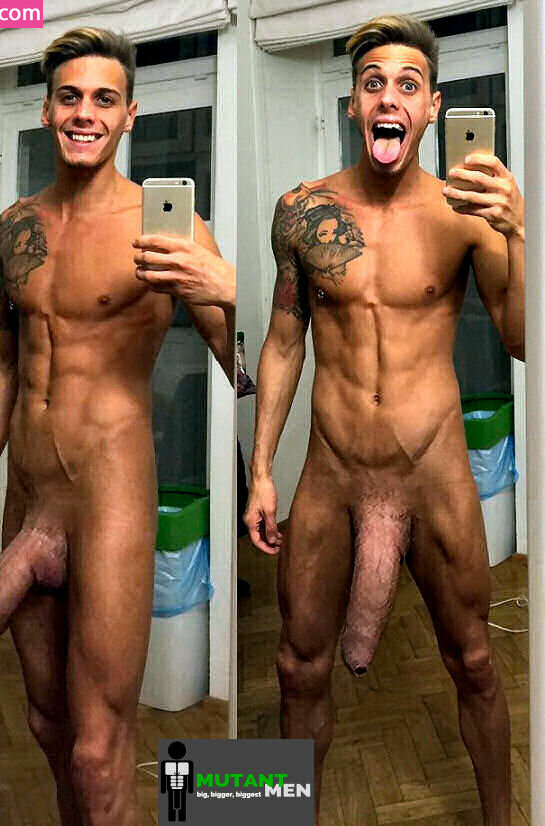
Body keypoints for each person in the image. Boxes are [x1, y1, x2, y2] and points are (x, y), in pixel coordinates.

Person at [0, 27, 234, 826]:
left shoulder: (168, 226)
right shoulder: (16, 225)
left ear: (129, 114)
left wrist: (225, 290)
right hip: (26, 495)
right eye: (69, 97)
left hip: (110, 494)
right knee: (48, 725)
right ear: (46, 110)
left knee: (99, 753)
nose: (85, 113)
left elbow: (243, 373)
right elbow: (6, 362)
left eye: (104, 99)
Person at [244, 14, 524, 826]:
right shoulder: (302, 211)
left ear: (431, 107)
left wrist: (519, 233)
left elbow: (520, 340)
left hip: (432, 472)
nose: (388, 97)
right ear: (352, 104)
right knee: (297, 667)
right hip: (330, 474)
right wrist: (260, 469)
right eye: (373, 84)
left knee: (473, 661)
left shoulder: (466, 213)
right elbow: (283, 341)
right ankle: (284, 811)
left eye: (407, 84)